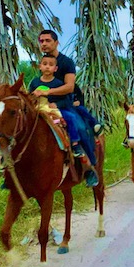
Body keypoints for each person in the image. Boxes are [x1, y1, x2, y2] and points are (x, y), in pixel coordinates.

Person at [35, 30, 99, 187]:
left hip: (64, 104)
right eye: (41, 41)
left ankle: (90, 167)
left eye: (48, 40)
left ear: (56, 43)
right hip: (43, 107)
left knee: (81, 128)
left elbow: (70, 87)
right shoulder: (44, 62)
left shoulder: (66, 62)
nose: (44, 43)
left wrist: (48, 93)